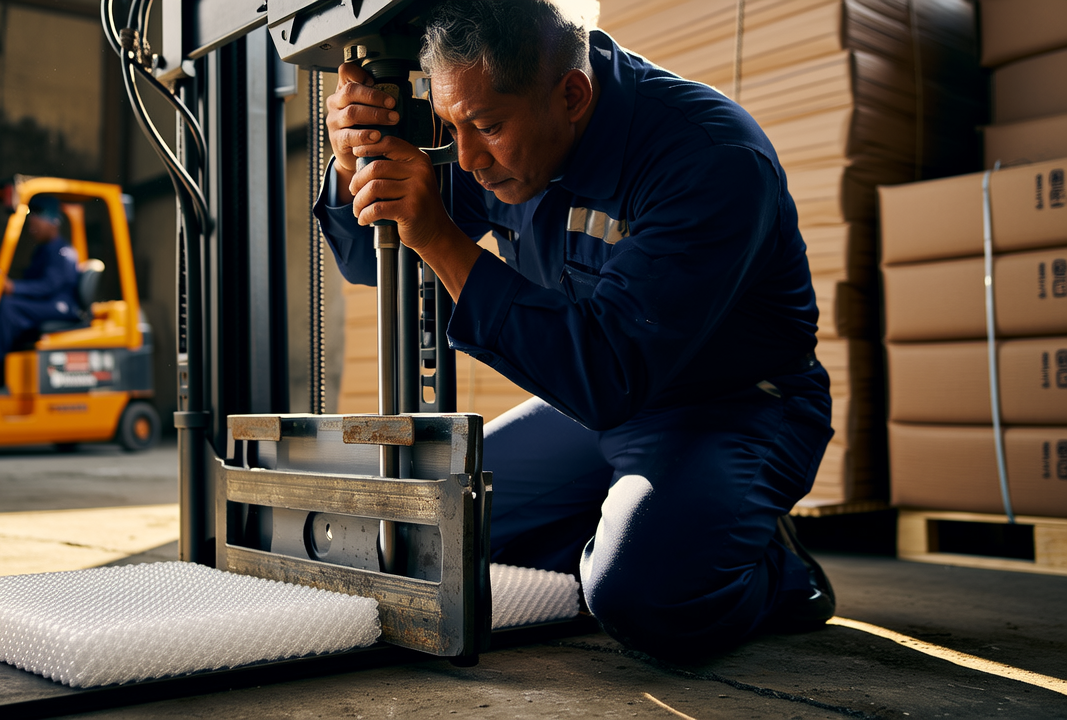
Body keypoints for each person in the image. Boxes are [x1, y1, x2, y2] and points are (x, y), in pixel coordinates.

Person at [315, 0, 836, 660]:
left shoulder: (707, 158)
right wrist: (352, 166)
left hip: (731, 408)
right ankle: (645, 524)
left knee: (641, 599)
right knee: (422, 530)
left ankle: (777, 571)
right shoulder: (499, 130)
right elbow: (369, 261)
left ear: (572, 95)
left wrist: (441, 238)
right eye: (451, 126)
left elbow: (608, 374)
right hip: (591, 409)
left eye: (486, 127)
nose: (466, 159)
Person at [0, 195, 81, 377]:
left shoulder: (63, 252)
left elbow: (49, 285)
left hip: (60, 306)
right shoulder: (43, 250)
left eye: (37, 220)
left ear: (53, 222)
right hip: (47, 302)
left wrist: (15, 288)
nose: (32, 226)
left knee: (9, 308)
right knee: (4, 303)